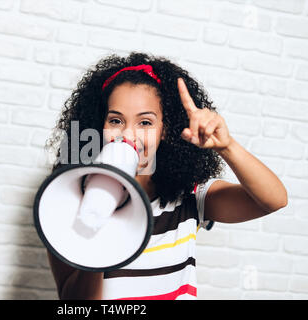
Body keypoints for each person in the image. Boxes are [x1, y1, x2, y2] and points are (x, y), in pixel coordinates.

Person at [44, 52, 288, 300]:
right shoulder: (68, 200)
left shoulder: (189, 196)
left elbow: (273, 200)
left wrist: (227, 147)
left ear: (165, 130)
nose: (128, 135)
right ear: (100, 127)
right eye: (116, 120)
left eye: (145, 123)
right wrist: (96, 232)